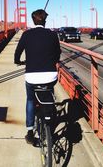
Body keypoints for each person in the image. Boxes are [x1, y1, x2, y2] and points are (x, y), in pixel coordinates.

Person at [14, 9, 61, 144]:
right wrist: (53, 60)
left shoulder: (27, 34)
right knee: (49, 91)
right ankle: (50, 117)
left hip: (32, 76)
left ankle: (30, 132)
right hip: (50, 75)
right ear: (45, 21)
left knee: (30, 100)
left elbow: (18, 52)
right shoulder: (52, 35)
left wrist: (18, 61)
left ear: (33, 21)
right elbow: (57, 53)